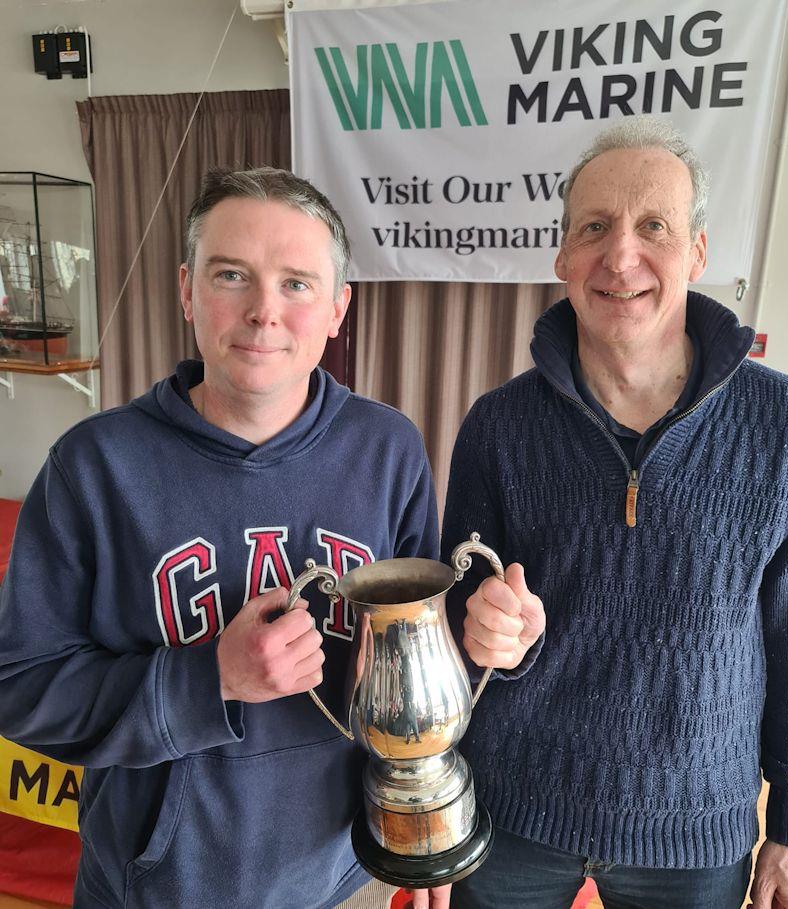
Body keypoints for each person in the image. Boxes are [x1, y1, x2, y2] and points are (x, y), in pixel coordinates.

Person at [0, 167, 464, 909]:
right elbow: (19, 687)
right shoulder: (93, 467)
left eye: (297, 283)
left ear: (339, 307)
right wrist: (209, 678)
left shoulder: (388, 449)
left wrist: (427, 822)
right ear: (187, 289)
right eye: (231, 275)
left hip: (345, 883)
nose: (263, 311)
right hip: (153, 892)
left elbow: (415, 671)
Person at [441, 117, 788, 909]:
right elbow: (457, 628)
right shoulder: (497, 426)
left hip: (696, 829)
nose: (622, 255)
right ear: (563, 255)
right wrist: (484, 631)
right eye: (595, 227)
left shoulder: (786, 426)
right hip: (512, 813)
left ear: (698, 253)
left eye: (654, 226)